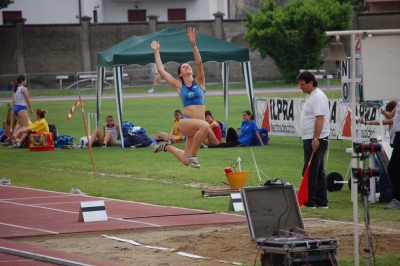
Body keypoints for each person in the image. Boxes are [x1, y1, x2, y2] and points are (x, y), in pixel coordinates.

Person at [150, 27, 210, 168]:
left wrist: (193, 44)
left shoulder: (200, 82)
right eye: (183, 67)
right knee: (206, 126)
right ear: (180, 74)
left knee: (184, 161)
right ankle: (193, 157)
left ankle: (167, 147)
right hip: (186, 122)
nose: (187, 67)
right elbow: (161, 70)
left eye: (188, 66)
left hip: (197, 126)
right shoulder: (178, 85)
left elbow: (199, 63)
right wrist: (156, 51)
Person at [298, 71, 330, 209]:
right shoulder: (310, 95)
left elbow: (320, 118)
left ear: (311, 83)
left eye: (303, 85)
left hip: (316, 138)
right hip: (311, 137)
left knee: (310, 170)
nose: (301, 87)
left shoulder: (318, 97)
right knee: (319, 170)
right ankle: (321, 201)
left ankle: (310, 201)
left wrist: (315, 138)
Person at [386, 101, 400, 210]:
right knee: (393, 168)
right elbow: (391, 115)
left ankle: (397, 198)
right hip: (398, 136)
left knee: (392, 168)